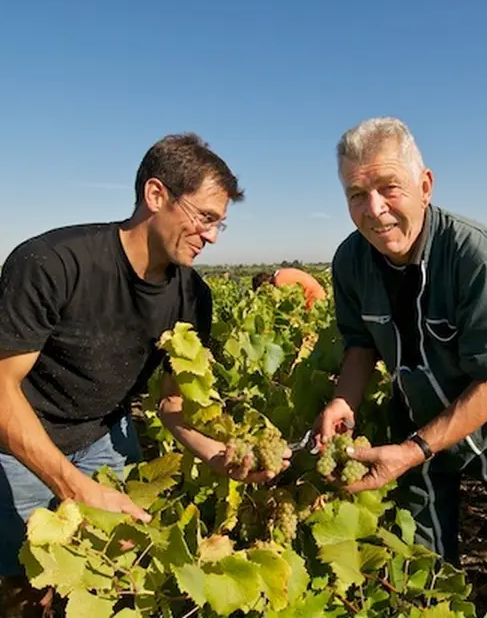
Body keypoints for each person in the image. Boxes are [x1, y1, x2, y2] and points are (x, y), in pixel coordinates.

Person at [313, 117, 487, 618]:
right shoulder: (350, 261)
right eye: (356, 194)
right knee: (422, 568)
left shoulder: (477, 257)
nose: (374, 209)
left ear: (425, 186)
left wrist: (412, 450)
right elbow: (360, 345)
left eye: (388, 187)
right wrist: (343, 399)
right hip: (418, 417)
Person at [0, 133, 289, 616]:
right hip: (19, 444)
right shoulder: (52, 264)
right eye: (205, 218)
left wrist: (215, 452)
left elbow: (172, 406)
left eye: (220, 224)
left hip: (106, 439)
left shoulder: (194, 296)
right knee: (26, 588)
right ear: (156, 195)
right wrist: (74, 487)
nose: (213, 237)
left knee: (111, 580)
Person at [252, 267, 327, 309]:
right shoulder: (280, 272)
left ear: (265, 284)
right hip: (320, 297)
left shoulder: (279, 282)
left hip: (314, 301)